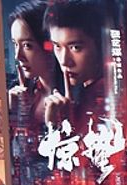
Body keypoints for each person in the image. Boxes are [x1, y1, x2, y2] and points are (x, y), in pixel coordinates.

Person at [42, 0, 110, 129]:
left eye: (75, 47)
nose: (64, 60)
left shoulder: (110, 100)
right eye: (57, 46)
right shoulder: (81, 92)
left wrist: (59, 128)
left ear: (101, 45)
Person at [8, 0, 53, 131]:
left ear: (48, 45)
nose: (18, 56)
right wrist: (13, 113)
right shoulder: (18, 91)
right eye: (15, 44)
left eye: (27, 45)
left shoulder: (76, 96)